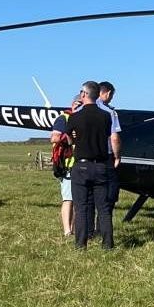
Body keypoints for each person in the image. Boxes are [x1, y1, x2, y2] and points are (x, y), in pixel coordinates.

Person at [66, 81, 119, 249]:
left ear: (84, 94)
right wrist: (117, 156)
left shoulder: (75, 116)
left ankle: (81, 245)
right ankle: (108, 244)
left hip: (81, 166)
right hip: (101, 165)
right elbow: (112, 137)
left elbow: (69, 139)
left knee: (81, 208)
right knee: (103, 209)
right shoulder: (106, 116)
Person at [50, 95, 82, 236]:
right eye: (76, 103)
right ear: (72, 103)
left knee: (79, 200)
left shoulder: (83, 119)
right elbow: (54, 137)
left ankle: (75, 229)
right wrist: (69, 137)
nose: (78, 106)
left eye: (81, 104)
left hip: (82, 164)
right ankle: (67, 230)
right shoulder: (64, 118)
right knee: (68, 199)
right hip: (68, 165)